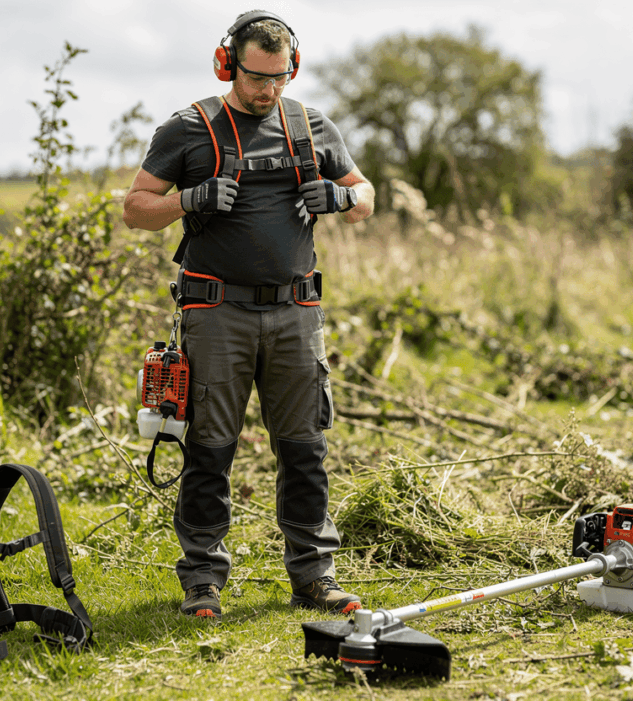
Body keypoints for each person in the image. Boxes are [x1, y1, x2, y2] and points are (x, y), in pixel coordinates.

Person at [122, 10, 374, 621]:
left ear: (293, 67)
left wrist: (343, 198)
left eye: (279, 77)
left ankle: (314, 577)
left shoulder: (312, 127)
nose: (267, 90)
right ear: (226, 64)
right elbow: (135, 208)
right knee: (210, 448)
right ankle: (203, 581)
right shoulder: (188, 128)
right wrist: (190, 198)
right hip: (215, 314)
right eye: (256, 77)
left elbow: (367, 195)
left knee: (304, 447)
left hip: (296, 313)